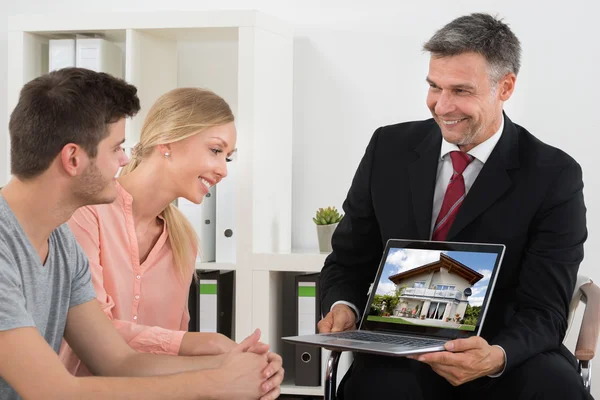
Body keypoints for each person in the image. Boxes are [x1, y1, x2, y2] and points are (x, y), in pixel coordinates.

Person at [317, 13, 590, 400]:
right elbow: (348, 260)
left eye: (461, 91)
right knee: (380, 389)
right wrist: (344, 306)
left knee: (554, 389)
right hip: (401, 347)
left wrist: (497, 356)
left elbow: (545, 307)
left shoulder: (553, 173)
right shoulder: (387, 149)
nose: (442, 106)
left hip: (504, 349)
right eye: (434, 87)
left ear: (505, 87)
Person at [0, 67, 283, 400]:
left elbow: (118, 360)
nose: (124, 159)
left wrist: (235, 367)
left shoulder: (61, 244)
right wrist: (214, 383)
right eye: (115, 148)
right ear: (73, 158)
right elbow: (54, 390)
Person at [58, 86, 248, 375]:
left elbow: (174, 357)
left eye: (228, 157)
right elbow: (95, 333)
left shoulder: (183, 239)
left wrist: (236, 363)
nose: (223, 170)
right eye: (215, 150)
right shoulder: (86, 213)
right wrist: (205, 344)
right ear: (166, 142)